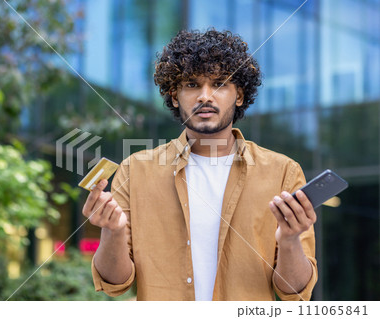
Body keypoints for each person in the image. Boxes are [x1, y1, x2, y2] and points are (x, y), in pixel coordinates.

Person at [82, 29, 318, 301]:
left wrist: (289, 240)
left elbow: (295, 294)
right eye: (192, 85)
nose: (206, 96)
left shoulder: (283, 173)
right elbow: (116, 285)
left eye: (219, 84)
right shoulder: (135, 171)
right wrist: (112, 232)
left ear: (239, 95)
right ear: (174, 96)